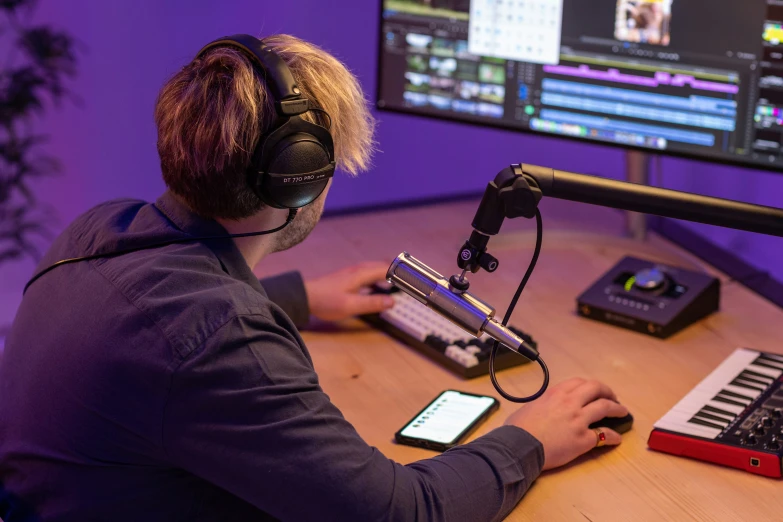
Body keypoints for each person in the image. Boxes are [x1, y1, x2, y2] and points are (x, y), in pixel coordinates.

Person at [0, 34, 628, 521]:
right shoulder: (216, 337)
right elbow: (401, 512)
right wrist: (530, 440)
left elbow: (159, 335)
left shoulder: (99, 230)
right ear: (296, 177)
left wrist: (298, 298)